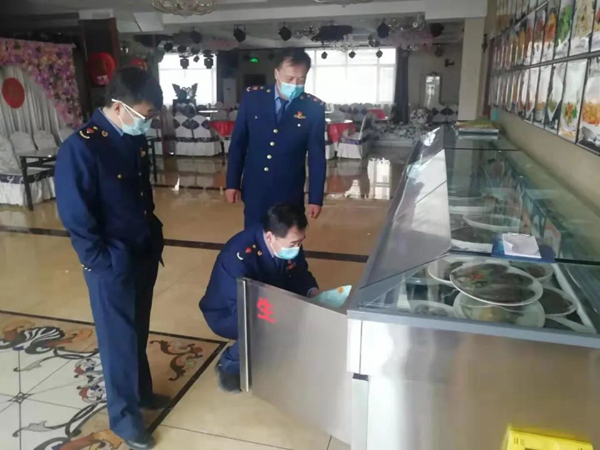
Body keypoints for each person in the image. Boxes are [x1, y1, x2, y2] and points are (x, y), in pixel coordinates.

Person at [55, 67, 166, 450]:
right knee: (118, 341)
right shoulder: (82, 147)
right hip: (111, 263)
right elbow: (76, 217)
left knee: (138, 330)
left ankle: (142, 393)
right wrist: (101, 263)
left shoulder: (130, 137)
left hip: (141, 252)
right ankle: (125, 420)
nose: (148, 123)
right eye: (145, 115)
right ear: (119, 107)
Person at [199, 203, 320, 391]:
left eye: (300, 242)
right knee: (270, 326)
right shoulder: (238, 256)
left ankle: (270, 346)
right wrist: (279, 315)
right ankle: (229, 363)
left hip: (266, 296)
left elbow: (299, 273)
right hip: (227, 312)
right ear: (270, 237)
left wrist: (313, 292)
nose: (297, 248)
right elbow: (242, 308)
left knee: (298, 316)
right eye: (293, 244)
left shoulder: (288, 240)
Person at [226, 49, 327, 229]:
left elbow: (316, 157)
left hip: (290, 190)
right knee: (254, 236)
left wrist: (315, 198)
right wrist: (232, 183)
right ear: (276, 73)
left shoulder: (313, 107)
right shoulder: (253, 98)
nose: (295, 84)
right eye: (289, 78)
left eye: (301, 79)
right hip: (255, 187)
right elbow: (238, 145)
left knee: (287, 238)